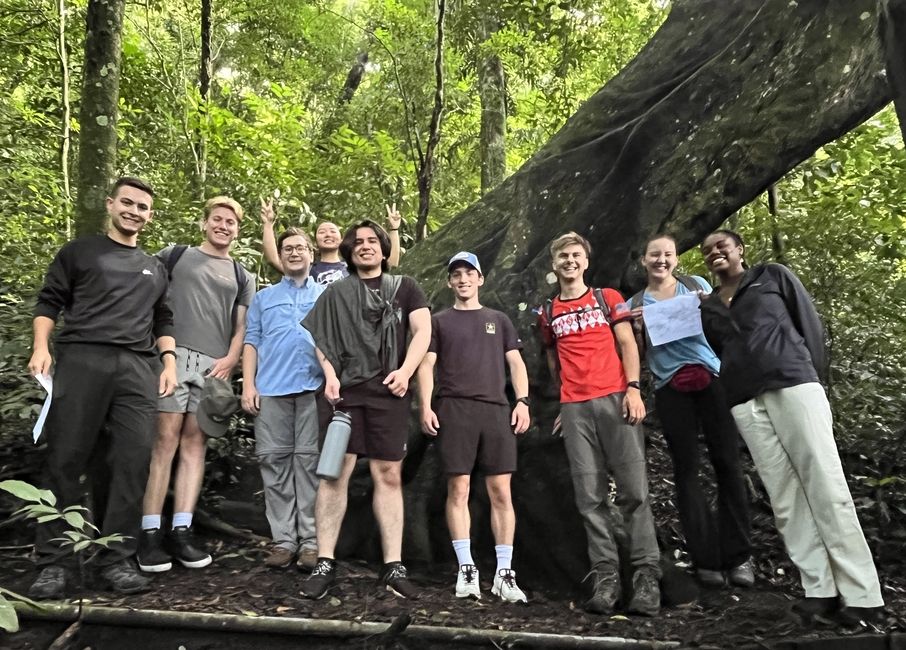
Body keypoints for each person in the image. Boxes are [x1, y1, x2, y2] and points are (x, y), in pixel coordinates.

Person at [699, 229, 884, 626]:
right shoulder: (709, 306)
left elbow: (808, 325)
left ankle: (863, 594)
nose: (715, 252)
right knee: (785, 496)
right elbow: (721, 348)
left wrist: (811, 377)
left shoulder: (772, 276)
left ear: (739, 250)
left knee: (825, 483)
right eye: (707, 250)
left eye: (722, 246)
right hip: (745, 399)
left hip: (793, 382)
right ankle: (819, 590)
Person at [27, 177, 178, 599]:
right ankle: (53, 562)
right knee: (66, 455)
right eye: (127, 203)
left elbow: (163, 318)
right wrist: (42, 347)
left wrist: (168, 362)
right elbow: (49, 301)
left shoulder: (156, 267)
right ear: (111, 204)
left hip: (137, 367)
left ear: (149, 216)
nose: (134, 211)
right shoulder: (80, 251)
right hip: (82, 359)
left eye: (143, 207)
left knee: (132, 459)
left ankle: (117, 558)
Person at [300, 220, 431, 600]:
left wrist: (406, 373)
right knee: (334, 473)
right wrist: (329, 377)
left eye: (373, 241)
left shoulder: (405, 287)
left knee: (388, 473)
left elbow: (422, 332)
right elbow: (320, 339)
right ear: (348, 251)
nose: (365, 246)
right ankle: (325, 561)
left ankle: (393, 565)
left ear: (384, 249)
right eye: (357, 242)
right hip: (345, 393)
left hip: (390, 391)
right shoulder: (336, 292)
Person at [538, 231, 661, 616]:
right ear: (554, 264)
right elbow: (552, 359)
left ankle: (646, 577)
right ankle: (606, 577)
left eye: (576, 255)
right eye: (562, 256)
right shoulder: (547, 311)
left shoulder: (607, 298)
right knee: (589, 497)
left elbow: (627, 344)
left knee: (633, 491)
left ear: (586, 262)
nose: (569, 261)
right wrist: (565, 400)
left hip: (615, 398)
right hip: (576, 408)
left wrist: (634, 389)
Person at [138, 196, 255, 574]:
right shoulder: (175, 255)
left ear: (238, 230)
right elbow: (145, 298)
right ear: (205, 223)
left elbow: (242, 327)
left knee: (194, 443)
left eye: (231, 222)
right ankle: (150, 531)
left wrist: (231, 360)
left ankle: (182, 529)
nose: (224, 226)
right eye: (217, 219)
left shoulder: (241, 274)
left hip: (213, 366)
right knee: (164, 441)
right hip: (171, 357)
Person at [630, 234, 752, 588]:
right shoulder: (636, 301)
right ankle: (705, 559)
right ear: (644, 260)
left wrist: (707, 304)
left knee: (727, 463)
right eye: (655, 255)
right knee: (687, 471)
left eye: (668, 254)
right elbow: (636, 355)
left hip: (712, 378)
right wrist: (637, 327)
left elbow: (720, 329)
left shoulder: (695, 285)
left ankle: (740, 556)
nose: (661, 260)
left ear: (676, 259)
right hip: (671, 387)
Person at [416, 251, 531, 603]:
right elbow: (426, 364)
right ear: (450, 281)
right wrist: (425, 406)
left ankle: (504, 573)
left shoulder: (499, 319)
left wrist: (522, 401)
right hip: (455, 409)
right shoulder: (439, 321)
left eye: (469, 273)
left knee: (501, 492)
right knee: (459, 489)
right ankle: (466, 569)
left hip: (496, 410)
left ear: (480, 278)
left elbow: (516, 362)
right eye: (457, 274)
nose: (463, 279)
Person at [241, 228, 325, 570]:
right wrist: (248, 385)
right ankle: (283, 540)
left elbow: (334, 340)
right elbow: (251, 340)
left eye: (300, 248)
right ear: (280, 256)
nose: (294, 253)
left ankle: (311, 541)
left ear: (311, 254)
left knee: (308, 464)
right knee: (273, 463)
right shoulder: (264, 298)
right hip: (271, 389)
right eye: (287, 248)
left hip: (313, 390)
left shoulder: (325, 294)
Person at [260, 198, 402, 283]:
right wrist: (268, 224)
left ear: (341, 240)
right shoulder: (307, 268)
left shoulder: (353, 266)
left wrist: (394, 230)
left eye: (333, 231)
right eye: (322, 232)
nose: (328, 234)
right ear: (315, 243)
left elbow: (391, 264)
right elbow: (274, 260)